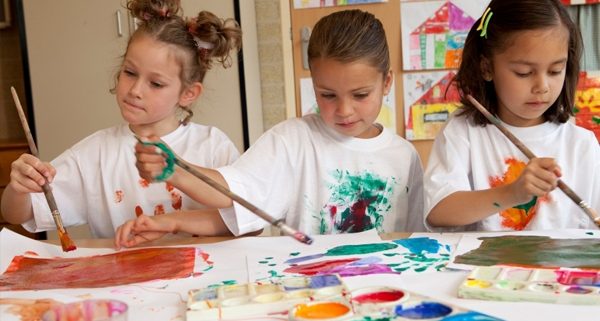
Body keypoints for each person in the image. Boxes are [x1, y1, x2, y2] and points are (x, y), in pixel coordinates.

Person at [119, 9, 425, 246]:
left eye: (360, 95)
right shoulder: (291, 140)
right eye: (327, 95)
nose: (343, 110)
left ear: (386, 83)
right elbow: (236, 195)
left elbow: (413, 237)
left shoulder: (403, 155)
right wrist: (177, 172)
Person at [1, 0, 242, 239]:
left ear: (188, 93)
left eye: (155, 84)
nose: (135, 90)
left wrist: (174, 221)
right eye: (129, 72)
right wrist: (19, 188)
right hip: (126, 275)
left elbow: (249, 222)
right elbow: (18, 214)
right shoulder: (94, 153)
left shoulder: (213, 146)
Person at [424, 0, 600, 231]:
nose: (543, 86)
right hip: (484, 266)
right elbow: (439, 212)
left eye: (556, 70)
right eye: (524, 73)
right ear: (487, 68)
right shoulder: (463, 131)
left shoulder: (581, 144)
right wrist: (512, 193)